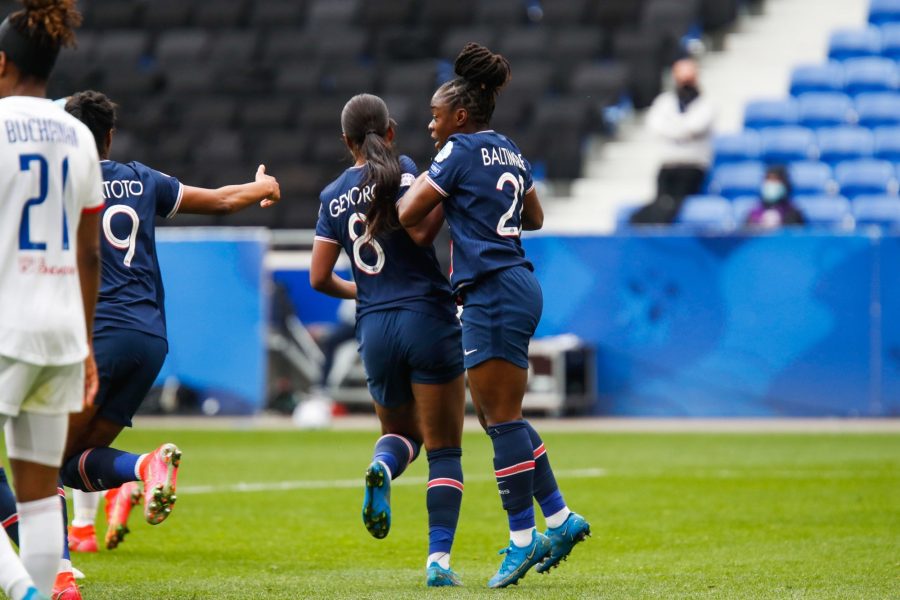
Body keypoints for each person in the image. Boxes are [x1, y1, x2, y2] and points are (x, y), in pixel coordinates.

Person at [0, 89, 281, 599]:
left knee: (42, 464)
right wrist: (260, 185)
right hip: (150, 339)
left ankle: (59, 576)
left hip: (96, 332)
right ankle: (143, 467)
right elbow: (219, 201)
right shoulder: (142, 178)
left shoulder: (62, 183)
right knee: (73, 460)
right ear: (109, 137)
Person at [398, 43, 590, 589]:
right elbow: (535, 214)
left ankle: (522, 540)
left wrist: (408, 184)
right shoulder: (508, 149)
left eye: (436, 117)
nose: (431, 126)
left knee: (500, 420)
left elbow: (411, 215)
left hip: (490, 289)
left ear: (460, 115)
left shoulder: (457, 151)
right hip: (518, 282)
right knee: (498, 416)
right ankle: (559, 517)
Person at [310, 93, 467, 587]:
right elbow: (420, 231)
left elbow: (318, 277)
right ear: (391, 131)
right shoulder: (404, 171)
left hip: (374, 326)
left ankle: (382, 466)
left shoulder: (332, 194)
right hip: (426, 316)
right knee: (444, 450)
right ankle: (438, 563)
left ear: (346, 142)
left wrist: (361, 288)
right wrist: (448, 195)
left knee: (401, 435)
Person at [0, 1, 103, 599]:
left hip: (6, 324)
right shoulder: (76, 133)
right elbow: (90, 255)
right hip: (62, 332)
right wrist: (86, 345)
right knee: (38, 500)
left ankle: (23, 591)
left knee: (31, 498)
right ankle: (34, 587)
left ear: (2, 62)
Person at [631, 57, 715, 224]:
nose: (685, 83)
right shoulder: (664, 102)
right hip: (667, 166)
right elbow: (656, 126)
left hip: (693, 168)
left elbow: (695, 127)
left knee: (673, 205)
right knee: (660, 203)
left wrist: (674, 128)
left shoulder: (707, 104)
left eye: (689, 78)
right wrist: (682, 130)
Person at [745, 165, 805, 229]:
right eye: (768, 180)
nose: (771, 184)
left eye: (775, 180)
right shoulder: (753, 213)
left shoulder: (794, 213)